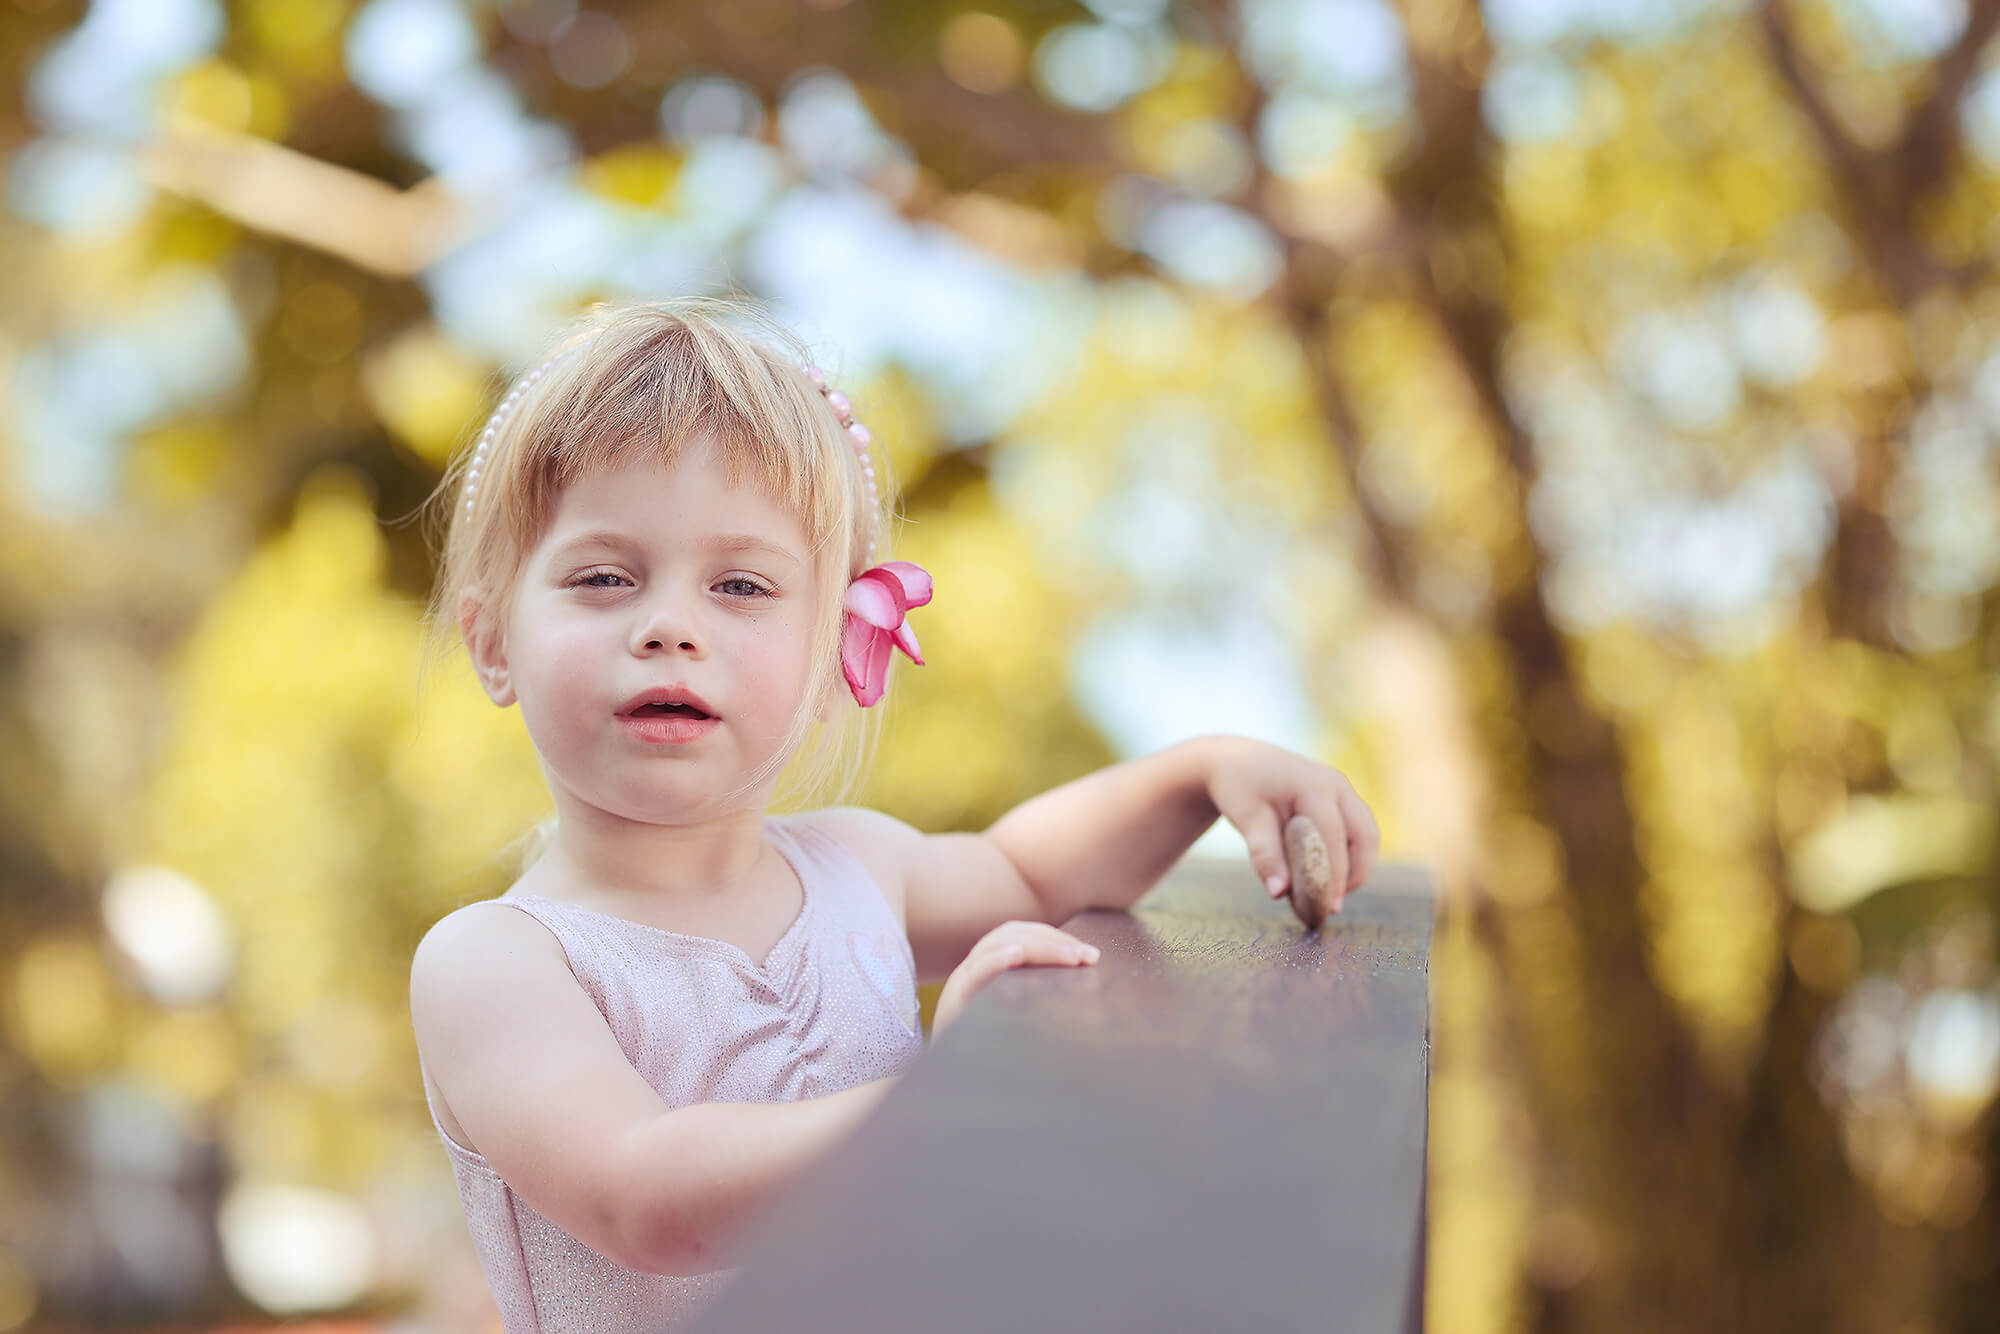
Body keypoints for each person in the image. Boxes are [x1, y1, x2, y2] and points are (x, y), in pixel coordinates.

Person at [408, 296, 1380, 1332]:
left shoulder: (855, 868)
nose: (669, 625)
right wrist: (939, 1095)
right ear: (492, 641)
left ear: (838, 651)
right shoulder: (496, 962)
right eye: (604, 576)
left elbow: (1033, 873)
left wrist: (1195, 773)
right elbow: (641, 1194)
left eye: (740, 584)